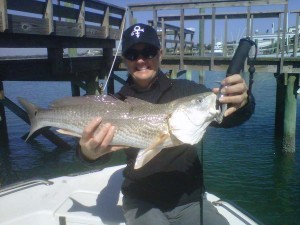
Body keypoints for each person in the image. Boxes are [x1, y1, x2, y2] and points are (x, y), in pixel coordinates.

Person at [78, 23, 255, 225]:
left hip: (188, 200)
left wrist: (243, 102)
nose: (142, 60)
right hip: (140, 202)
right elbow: (94, 153)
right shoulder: (114, 104)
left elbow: (228, 117)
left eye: (149, 51)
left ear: (160, 54)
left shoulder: (187, 92)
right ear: (124, 60)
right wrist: (88, 154)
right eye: (132, 54)